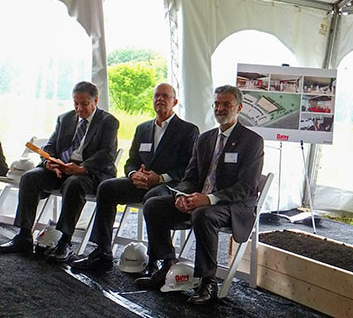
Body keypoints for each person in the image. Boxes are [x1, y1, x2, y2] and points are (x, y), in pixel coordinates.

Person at [135, 85, 264, 305]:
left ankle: (208, 281)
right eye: (217, 104)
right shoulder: (205, 139)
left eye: (226, 104)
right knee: (154, 205)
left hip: (232, 205)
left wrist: (209, 199)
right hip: (200, 201)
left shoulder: (252, 141)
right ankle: (166, 264)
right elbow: (190, 177)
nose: (220, 108)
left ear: (239, 108)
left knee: (203, 214)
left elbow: (246, 187)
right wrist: (181, 195)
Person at [71, 83, 199, 271]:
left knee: (152, 198)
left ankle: (157, 259)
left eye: (165, 96)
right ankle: (102, 251)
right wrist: (133, 175)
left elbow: (189, 168)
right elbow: (131, 161)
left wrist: (160, 178)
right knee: (106, 188)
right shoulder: (143, 128)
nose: (160, 99)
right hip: (141, 182)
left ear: (175, 101)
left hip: (170, 184)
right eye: (156, 96)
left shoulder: (188, 130)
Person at [0, 81, 119, 262]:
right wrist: (49, 162)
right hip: (61, 168)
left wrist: (81, 168)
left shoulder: (108, 122)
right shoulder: (65, 118)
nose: (79, 109)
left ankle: (64, 241)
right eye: (76, 104)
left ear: (96, 101)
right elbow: (50, 146)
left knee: (74, 183)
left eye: (84, 104)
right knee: (30, 177)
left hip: (89, 173)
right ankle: (24, 235)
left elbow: (106, 154)